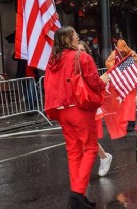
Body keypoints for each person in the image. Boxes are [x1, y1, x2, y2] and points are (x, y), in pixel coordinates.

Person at [44, 27, 110, 209]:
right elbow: (94, 82)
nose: (78, 38)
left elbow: (51, 85)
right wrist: (103, 81)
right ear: (69, 39)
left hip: (62, 110)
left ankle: (79, 195)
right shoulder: (81, 57)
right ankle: (76, 195)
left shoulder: (52, 61)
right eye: (76, 36)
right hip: (80, 108)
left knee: (73, 152)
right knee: (89, 148)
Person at [78, 41, 113, 177]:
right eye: (77, 50)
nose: (79, 53)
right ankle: (103, 158)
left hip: (90, 107)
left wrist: (101, 80)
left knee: (89, 138)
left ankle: (104, 157)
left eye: (82, 50)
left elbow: (96, 85)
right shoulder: (72, 67)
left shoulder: (89, 67)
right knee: (82, 138)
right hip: (78, 107)